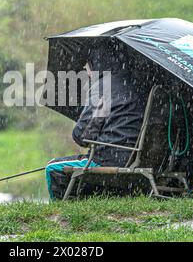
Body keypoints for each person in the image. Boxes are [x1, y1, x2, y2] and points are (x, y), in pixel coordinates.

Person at [45, 56, 148, 200]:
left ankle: (58, 214)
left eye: (86, 68)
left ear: (95, 66)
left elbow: (82, 136)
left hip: (108, 158)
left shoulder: (104, 87)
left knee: (52, 168)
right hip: (134, 157)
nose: (87, 73)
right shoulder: (136, 84)